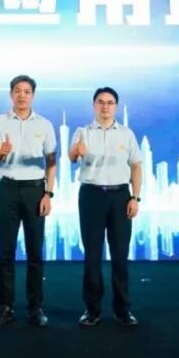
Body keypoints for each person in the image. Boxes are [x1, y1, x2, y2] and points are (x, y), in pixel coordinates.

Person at [69, 86, 142, 327]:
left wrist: (136, 197)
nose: (105, 106)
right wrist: (76, 151)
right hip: (91, 196)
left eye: (110, 102)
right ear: (94, 105)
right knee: (92, 255)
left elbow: (136, 166)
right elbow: (71, 157)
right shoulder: (83, 132)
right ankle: (92, 309)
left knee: (120, 254)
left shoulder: (126, 134)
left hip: (120, 196)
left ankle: (122, 309)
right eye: (101, 102)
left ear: (116, 107)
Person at [0, 74, 57, 327]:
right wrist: (1, 151)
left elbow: (51, 161)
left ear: (33, 96)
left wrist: (48, 193)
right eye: (17, 91)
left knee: (35, 251)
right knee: (6, 251)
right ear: (11, 94)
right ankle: (5, 307)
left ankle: (35, 308)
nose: (22, 95)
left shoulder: (45, 125)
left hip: (35, 190)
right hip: (7, 189)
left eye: (27, 91)